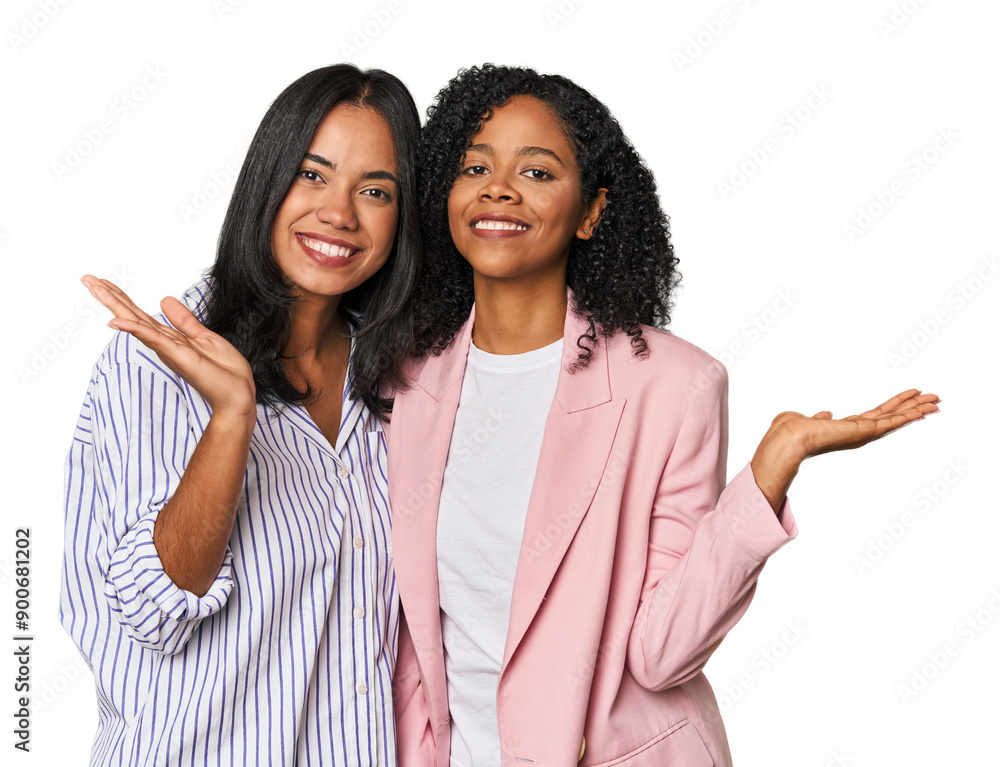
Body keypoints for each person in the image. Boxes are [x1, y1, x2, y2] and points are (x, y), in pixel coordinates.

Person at [388, 64, 940, 767]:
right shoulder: (406, 381)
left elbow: (661, 653)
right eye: (475, 166)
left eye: (537, 171)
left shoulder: (673, 385)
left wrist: (770, 469)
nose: (498, 188)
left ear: (591, 212)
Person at [60, 63, 420, 766]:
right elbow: (153, 611)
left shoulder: (403, 379)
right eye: (312, 175)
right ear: (267, 180)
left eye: (375, 190)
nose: (340, 214)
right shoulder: (157, 362)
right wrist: (231, 417)